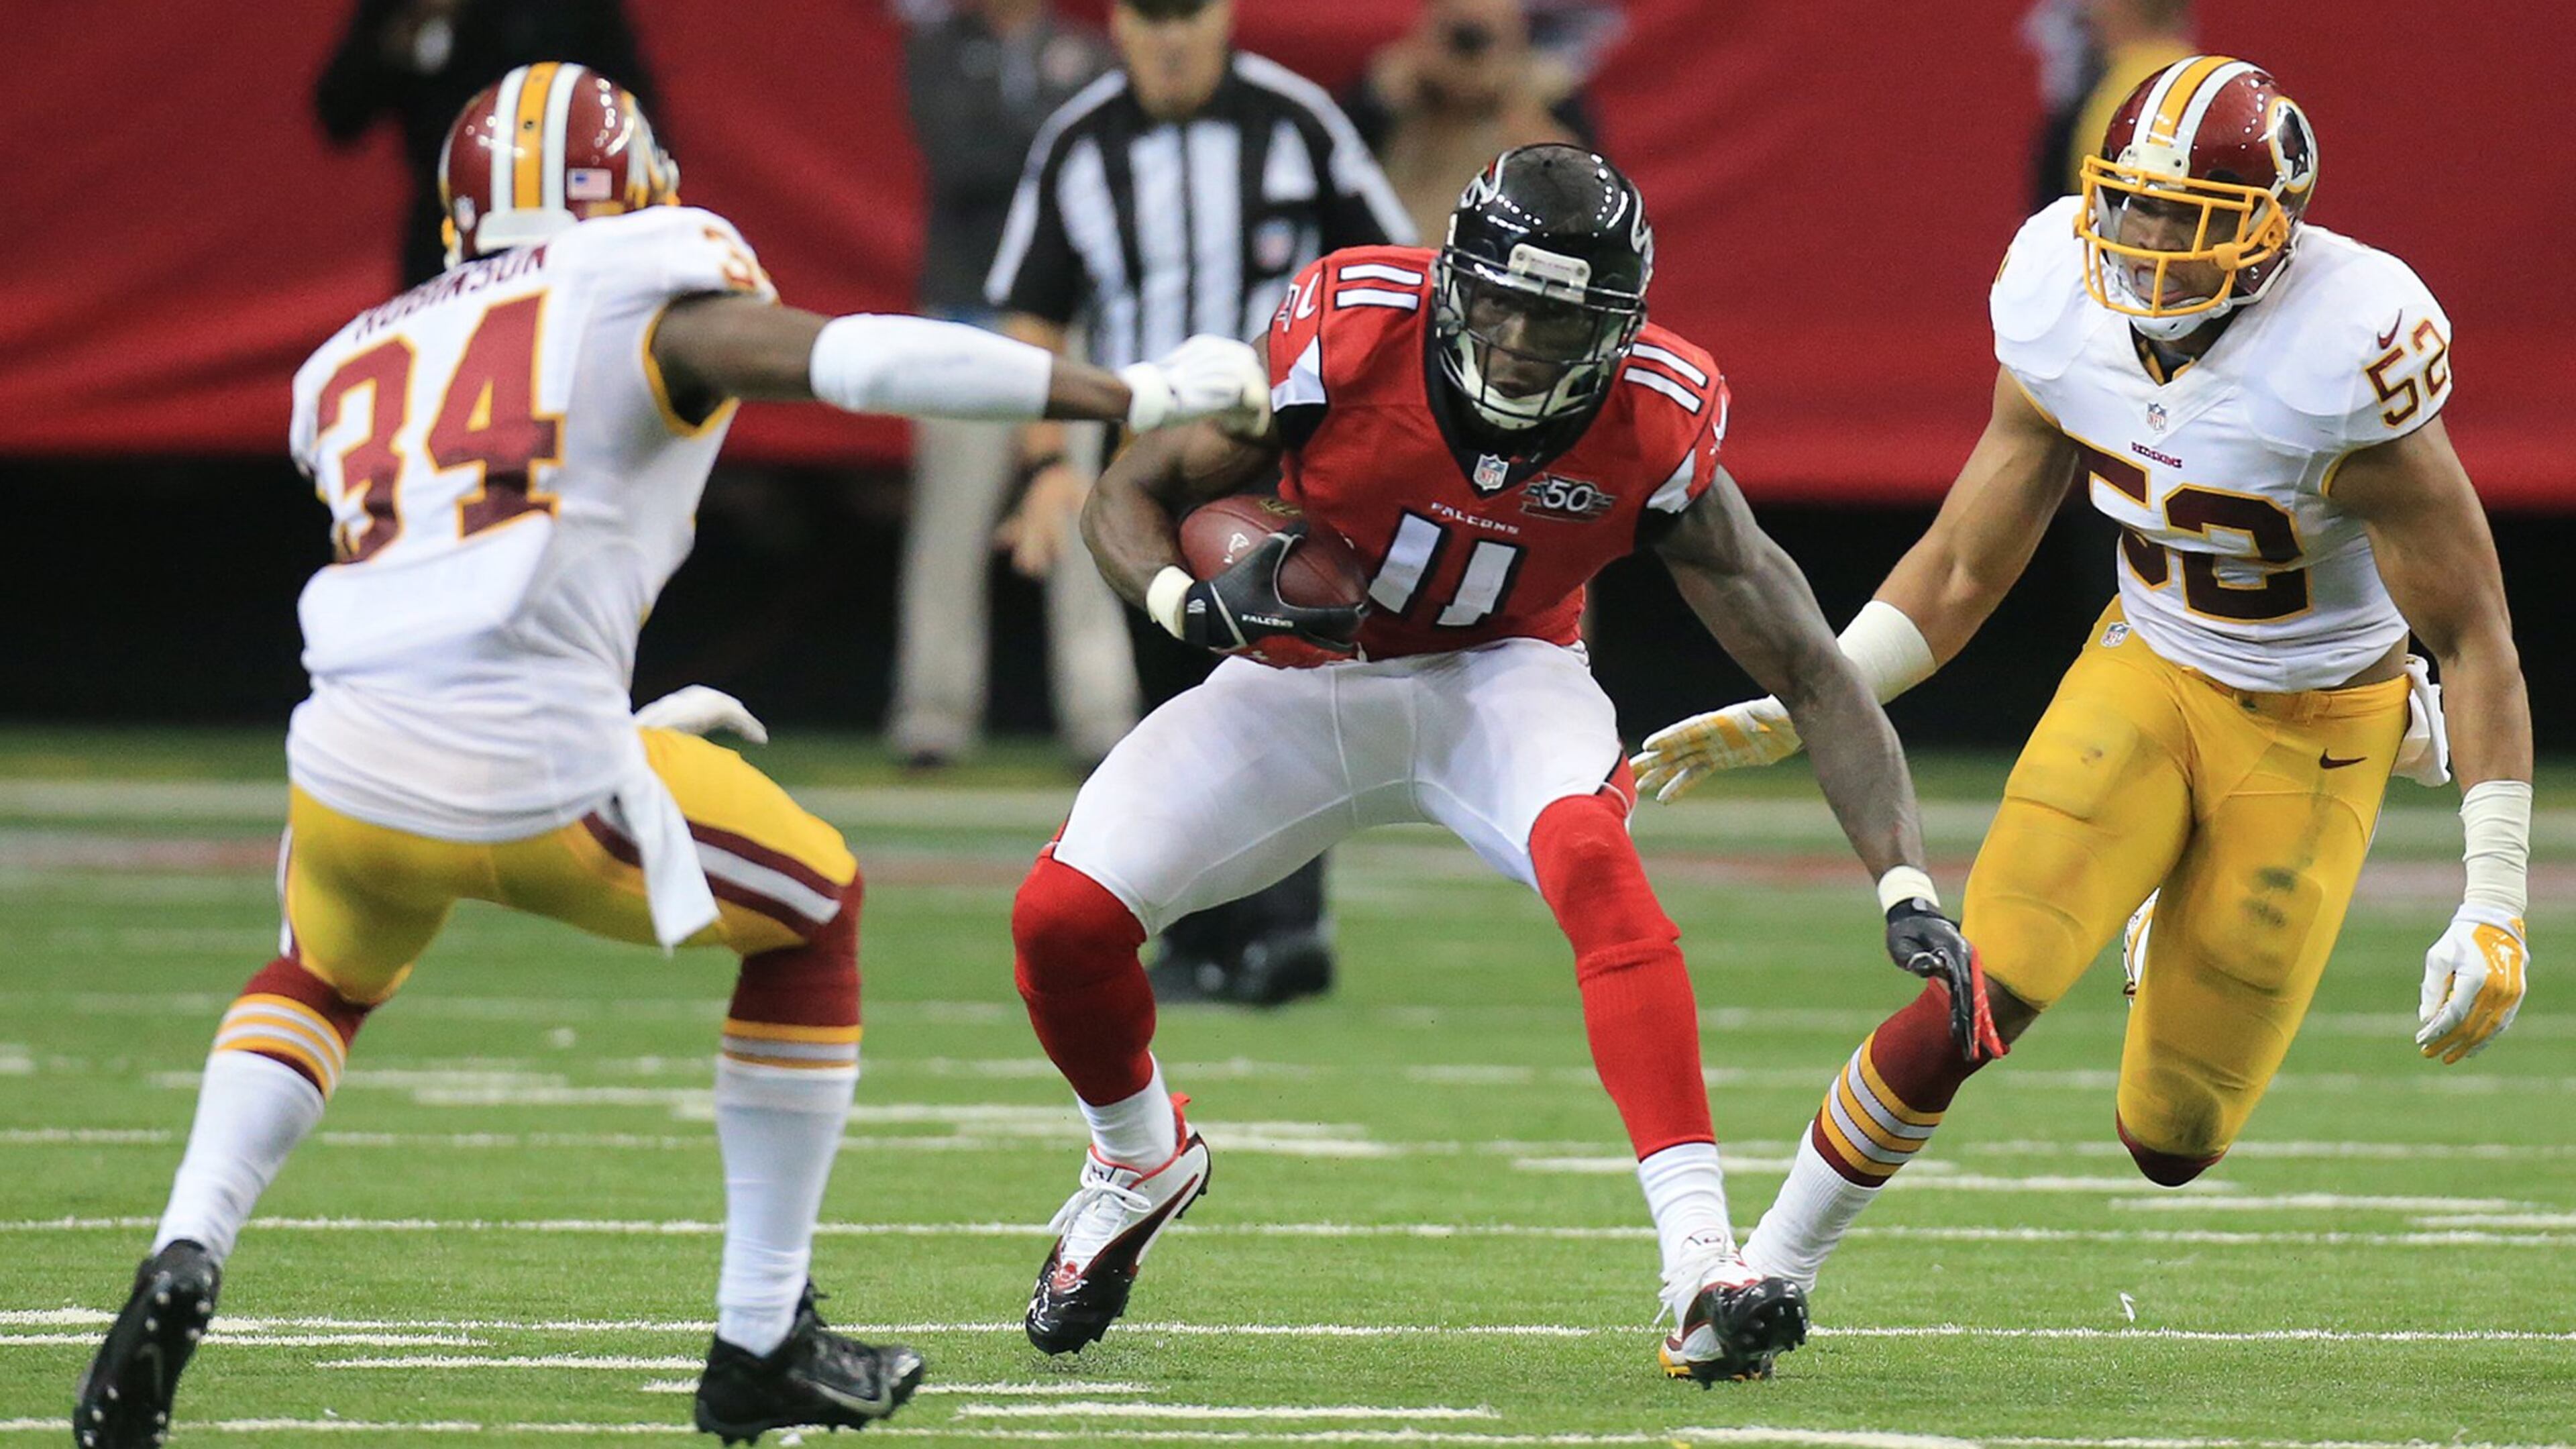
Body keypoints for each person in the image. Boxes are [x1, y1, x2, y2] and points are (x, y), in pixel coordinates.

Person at [70, 62, 1268, 1449]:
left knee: (320, 977)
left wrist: (611, 713)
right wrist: (1114, 386)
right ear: (628, 185)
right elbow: (850, 359)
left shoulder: (354, 359)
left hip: (343, 770)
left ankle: (185, 1249)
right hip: (526, 765)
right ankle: (760, 1334)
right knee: (816, 904)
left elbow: (466, 561)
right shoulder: (642, 273)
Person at [1005, 145, 1995, 1384]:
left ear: (1620, 330)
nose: (1525, 341)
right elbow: (1131, 491)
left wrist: (1905, 885)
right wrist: (1181, 605)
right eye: (1507, 304)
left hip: (1503, 679)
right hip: (1309, 675)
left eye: (1561, 319)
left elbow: (1810, 667)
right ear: (1454, 281)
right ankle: (1137, 1156)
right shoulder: (1347, 336)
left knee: (1595, 864)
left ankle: (1703, 1264)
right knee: (1059, 921)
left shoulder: (1654, 419)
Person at [1632, 58, 2534, 1361]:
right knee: (1975, 994)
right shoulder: (2058, 285)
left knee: (2172, 1142)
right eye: (2132, 206)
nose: (2147, 243)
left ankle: (2206, 869)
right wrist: (1806, 699)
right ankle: (1761, 1278)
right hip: (2149, 670)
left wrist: (2492, 902)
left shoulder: (2351, 347)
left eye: (2188, 216)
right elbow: (1960, 565)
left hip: (2318, 716)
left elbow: (2475, 635)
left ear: (2272, 229)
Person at [986, 0, 1419, 1005]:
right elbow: (1033, 316)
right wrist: (1045, 463)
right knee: (1169, 695)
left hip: (1276, 450)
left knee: (1281, 680)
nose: (1171, 36)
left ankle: (1286, 929)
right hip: (1142, 459)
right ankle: (1199, 937)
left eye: (1189, 12)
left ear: (1224, 15)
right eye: (1150, 14)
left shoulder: (1298, 121)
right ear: (1120, 23)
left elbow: (1396, 279)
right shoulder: (1080, 141)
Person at [890, 0, 1136, 769]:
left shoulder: (1085, 50)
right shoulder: (940, 50)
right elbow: (964, 160)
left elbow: (1111, 164)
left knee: (1081, 509)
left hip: (1066, 321)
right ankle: (934, 711)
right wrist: (1055, 143)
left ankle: (1101, 712)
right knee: (950, 524)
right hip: (968, 314)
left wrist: (1042, 142)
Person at [315, 0, 657, 286]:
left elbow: (630, 108)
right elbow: (339, 114)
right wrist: (395, 43)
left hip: (566, 218)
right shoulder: (404, 8)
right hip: (451, 232)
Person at [1342, 0, 1596, 246]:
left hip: (1498, 253)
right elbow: (1343, 161)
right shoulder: (1396, 81)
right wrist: (1402, 87)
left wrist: (1510, 95)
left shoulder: (1546, 91)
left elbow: (1579, 192)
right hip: (1400, 247)